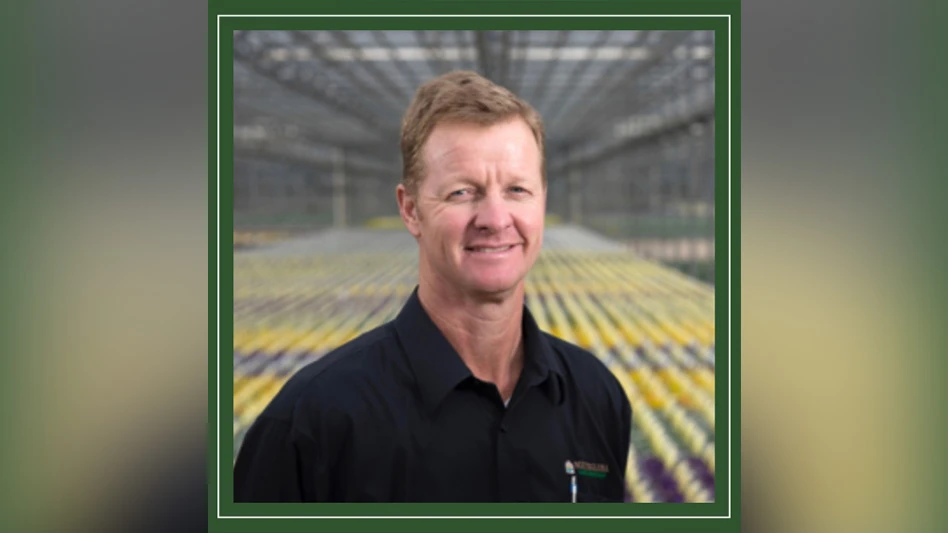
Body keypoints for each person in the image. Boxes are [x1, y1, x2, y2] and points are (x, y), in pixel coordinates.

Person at [234, 70, 632, 503]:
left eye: (517, 190)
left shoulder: (596, 397)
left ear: (542, 201)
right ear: (410, 210)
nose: (495, 219)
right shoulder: (314, 422)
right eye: (462, 193)